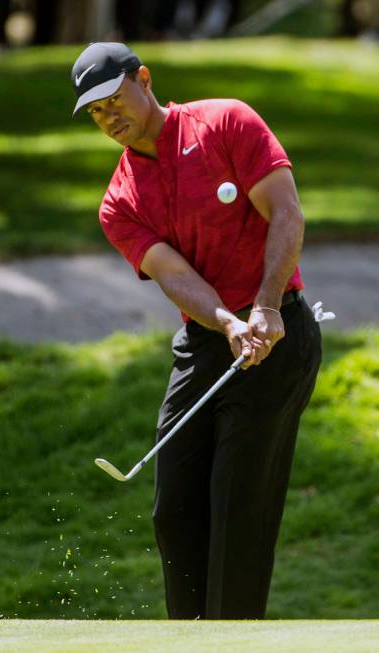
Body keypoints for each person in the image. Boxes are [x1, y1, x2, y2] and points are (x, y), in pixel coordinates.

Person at [70, 42, 322, 620]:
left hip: (279, 331)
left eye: (113, 100)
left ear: (144, 79)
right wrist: (229, 322)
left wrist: (263, 308)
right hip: (209, 340)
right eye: (96, 113)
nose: (109, 118)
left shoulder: (226, 121)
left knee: (238, 513)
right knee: (174, 511)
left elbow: (287, 214)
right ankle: (189, 638)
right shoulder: (119, 202)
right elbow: (174, 274)